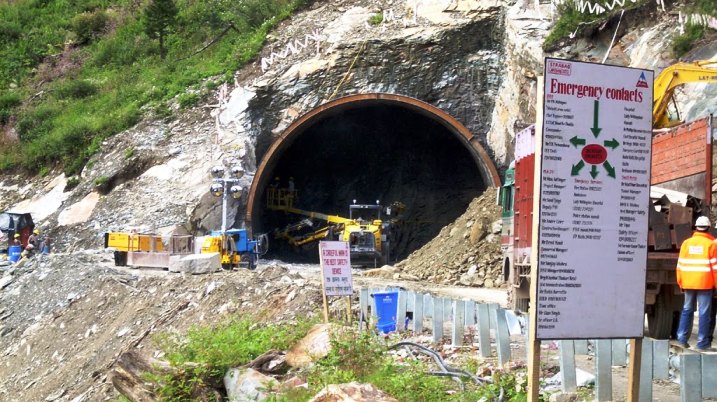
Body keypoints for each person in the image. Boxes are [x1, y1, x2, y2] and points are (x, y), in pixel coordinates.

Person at [675, 216, 717, 351]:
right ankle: (702, 343)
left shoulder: (686, 243)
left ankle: (681, 339)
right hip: (705, 284)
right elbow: (715, 268)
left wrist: (680, 282)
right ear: (709, 228)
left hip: (688, 283)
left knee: (687, 310)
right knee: (704, 312)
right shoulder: (712, 245)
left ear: (696, 228)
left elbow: (679, 265)